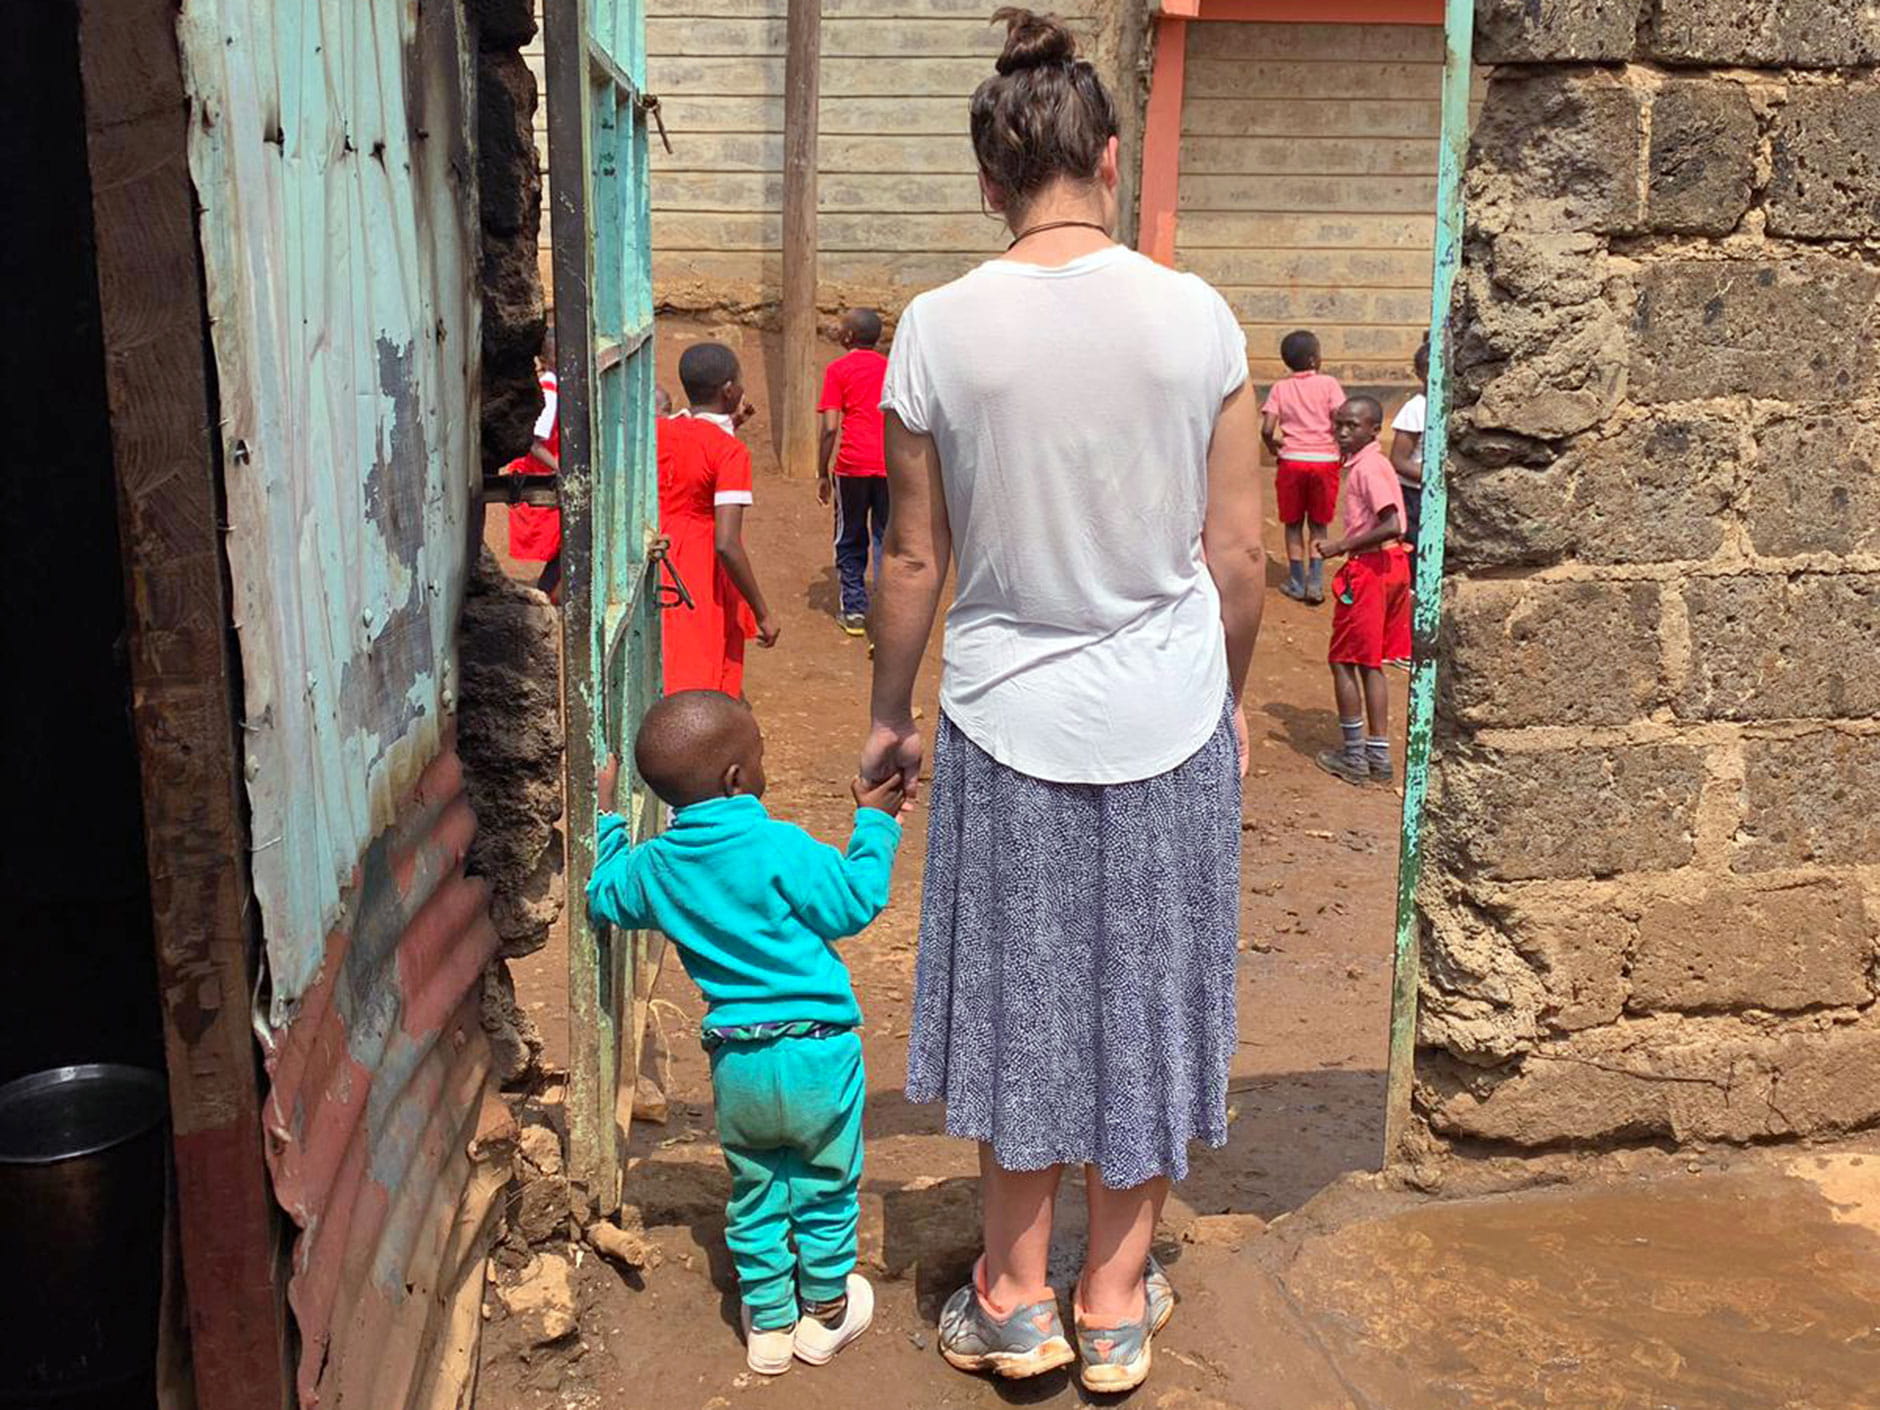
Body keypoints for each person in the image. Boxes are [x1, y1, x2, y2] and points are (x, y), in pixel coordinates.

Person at [859, 9, 1265, 1395]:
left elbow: (911, 553)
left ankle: (1015, 1297)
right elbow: (1241, 556)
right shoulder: (1198, 316)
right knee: (1147, 993)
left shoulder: (937, 328)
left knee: (1020, 997)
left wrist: (887, 708)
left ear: (988, 181)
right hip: (1166, 713)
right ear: (1105, 156)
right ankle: (1113, 1304)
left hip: (1001, 715)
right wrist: (1233, 698)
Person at [587, 691, 907, 1375]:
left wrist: (607, 814)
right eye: (759, 756)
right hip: (820, 1049)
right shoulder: (779, 844)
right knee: (825, 1181)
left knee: (757, 1183)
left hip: (739, 1061)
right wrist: (874, 824)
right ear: (737, 777)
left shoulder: (658, 866)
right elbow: (854, 902)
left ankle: (767, 1320)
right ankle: (825, 1312)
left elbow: (605, 892)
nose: (763, 767)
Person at [658, 343, 780, 696]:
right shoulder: (730, 452)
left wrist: (732, 424)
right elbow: (727, 543)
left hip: (659, 552)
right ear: (729, 390)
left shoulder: (661, 430)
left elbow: (691, 455)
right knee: (699, 670)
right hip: (699, 567)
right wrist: (762, 612)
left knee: (666, 656)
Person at [1313, 397, 1408, 786]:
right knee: (1369, 662)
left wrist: (1340, 547)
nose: (1343, 432)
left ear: (1374, 430)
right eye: (1339, 425)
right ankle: (1376, 755)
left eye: (1352, 426)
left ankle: (1356, 755)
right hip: (1387, 566)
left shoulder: (1369, 468)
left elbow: (1392, 523)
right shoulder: (1371, 465)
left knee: (1344, 660)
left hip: (1372, 568)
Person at [817, 309, 892, 636]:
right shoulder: (892, 368)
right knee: (885, 536)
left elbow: (830, 427)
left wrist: (822, 471)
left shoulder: (838, 370)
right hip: (890, 464)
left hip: (851, 466)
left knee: (849, 535)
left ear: (848, 337)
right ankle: (889, 610)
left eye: (842, 325)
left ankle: (855, 609)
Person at [1260, 330, 1346, 606]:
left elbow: (1267, 428)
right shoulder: (1329, 384)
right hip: (1324, 462)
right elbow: (1340, 418)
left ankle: (1296, 581)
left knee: (1293, 524)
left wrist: (1275, 446)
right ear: (1313, 359)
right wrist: (1339, 447)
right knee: (1319, 525)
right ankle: (1316, 582)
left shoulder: (1279, 388)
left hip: (1292, 461)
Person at [505, 326, 563, 596]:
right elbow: (535, 441)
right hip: (544, 471)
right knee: (567, 537)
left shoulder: (554, 387)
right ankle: (546, 590)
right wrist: (562, 470)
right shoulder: (550, 392)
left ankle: (549, 589)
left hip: (546, 466)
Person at [1384, 338, 1429, 668]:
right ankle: (1403, 644)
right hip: (1415, 497)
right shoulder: (1416, 409)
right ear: (1420, 373)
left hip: (1431, 496)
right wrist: (1433, 478)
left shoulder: (1447, 406)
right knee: (1412, 571)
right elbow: (1399, 460)